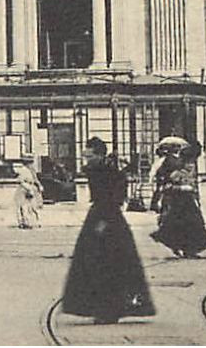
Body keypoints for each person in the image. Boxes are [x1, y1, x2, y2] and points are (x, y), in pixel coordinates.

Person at [61, 138, 155, 323]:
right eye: (85, 156)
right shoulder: (100, 170)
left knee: (106, 265)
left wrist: (103, 221)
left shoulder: (107, 171)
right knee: (100, 264)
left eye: (89, 156)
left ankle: (107, 309)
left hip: (107, 217)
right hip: (103, 216)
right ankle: (102, 308)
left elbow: (114, 197)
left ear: (99, 154)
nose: (86, 160)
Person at [150, 143, 206, 258]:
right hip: (179, 201)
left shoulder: (186, 170)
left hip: (187, 200)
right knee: (187, 225)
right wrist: (183, 187)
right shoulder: (175, 172)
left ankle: (185, 248)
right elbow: (167, 186)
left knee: (190, 225)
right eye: (190, 161)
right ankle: (187, 249)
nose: (191, 165)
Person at [14, 157, 44, 228]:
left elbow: (35, 179)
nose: (31, 164)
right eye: (29, 163)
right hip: (23, 189)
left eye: (31, 162)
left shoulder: (32, 171)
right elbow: (21, 181)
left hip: (31, 188)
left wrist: (39, 186)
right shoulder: (23, 170)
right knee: (23, 206)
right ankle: (23, 222)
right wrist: (28, 188)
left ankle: (34, 221)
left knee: (33, 206)